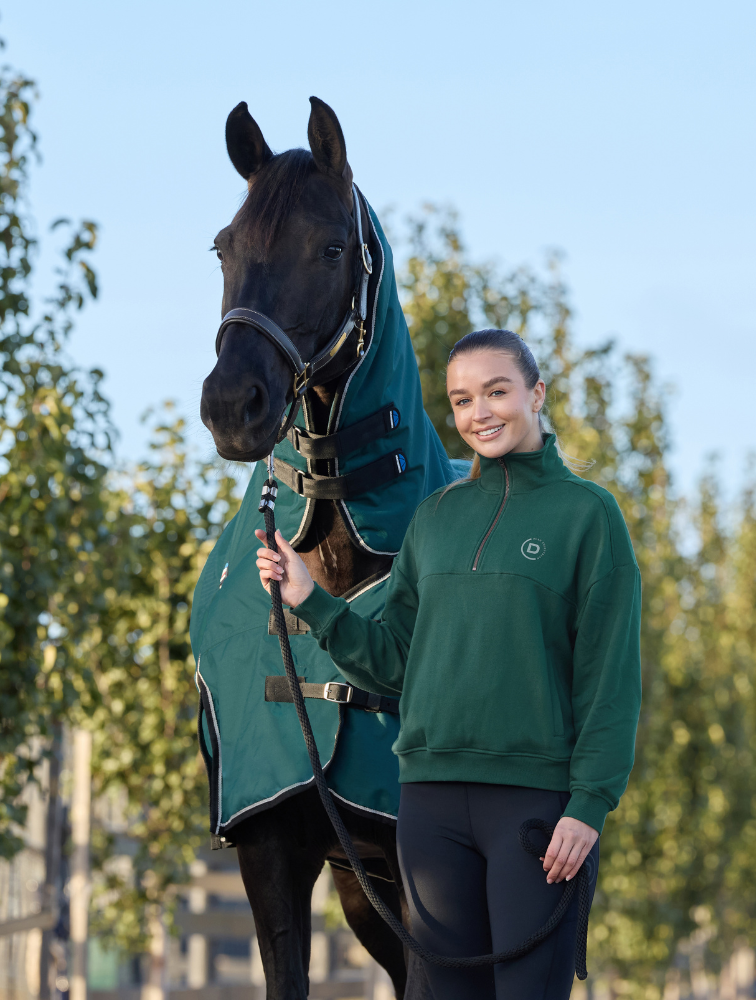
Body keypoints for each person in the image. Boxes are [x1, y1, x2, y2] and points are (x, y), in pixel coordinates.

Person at [255, 329, 642, 1000]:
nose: (480, 414)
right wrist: (310, 601)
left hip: (536, 813)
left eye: (497, 391)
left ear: (536, 394)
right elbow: (397, 662)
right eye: (462, 400)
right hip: (430, 809)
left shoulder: (588, 515)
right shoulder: (433, 520)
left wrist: (589, 804)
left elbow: (610, 679)